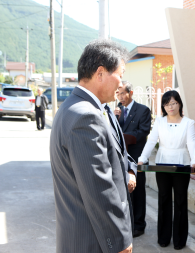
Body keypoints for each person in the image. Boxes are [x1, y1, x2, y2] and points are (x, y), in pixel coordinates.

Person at [49, 39, 137, 253]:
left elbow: (116, 153)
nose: (121, 84)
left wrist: (129, 170)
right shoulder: (85, 116)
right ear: (100, 73)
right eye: (120, 74)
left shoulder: (92, 108)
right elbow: (99, 189)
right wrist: (119, 242)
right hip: (92, 240)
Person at [138, 90, 195, 250]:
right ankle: (163, 237)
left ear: (179, 104)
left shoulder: (188, 122)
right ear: (163, 106)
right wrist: (142, 158)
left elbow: (191, 143)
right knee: (163, 199)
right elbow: (151, 141)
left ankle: (180, 240)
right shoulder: (159, 121)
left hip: (182, 165)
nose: (170, 107)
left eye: (173, 103)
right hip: (162, 163)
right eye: (167, 104)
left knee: (180, 201)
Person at [114, 81, 151, 238]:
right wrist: (115, 119)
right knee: (122, 191)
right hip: (120, 159)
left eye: (123, 93)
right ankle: (125, 224)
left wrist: (124, 137)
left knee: (138, 191)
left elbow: (143, 132)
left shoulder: (143, 110)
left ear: (131, 93)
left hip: (137, 158)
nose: (120, 97)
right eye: (118, 94)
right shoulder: (117, 111)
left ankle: (138, 225)